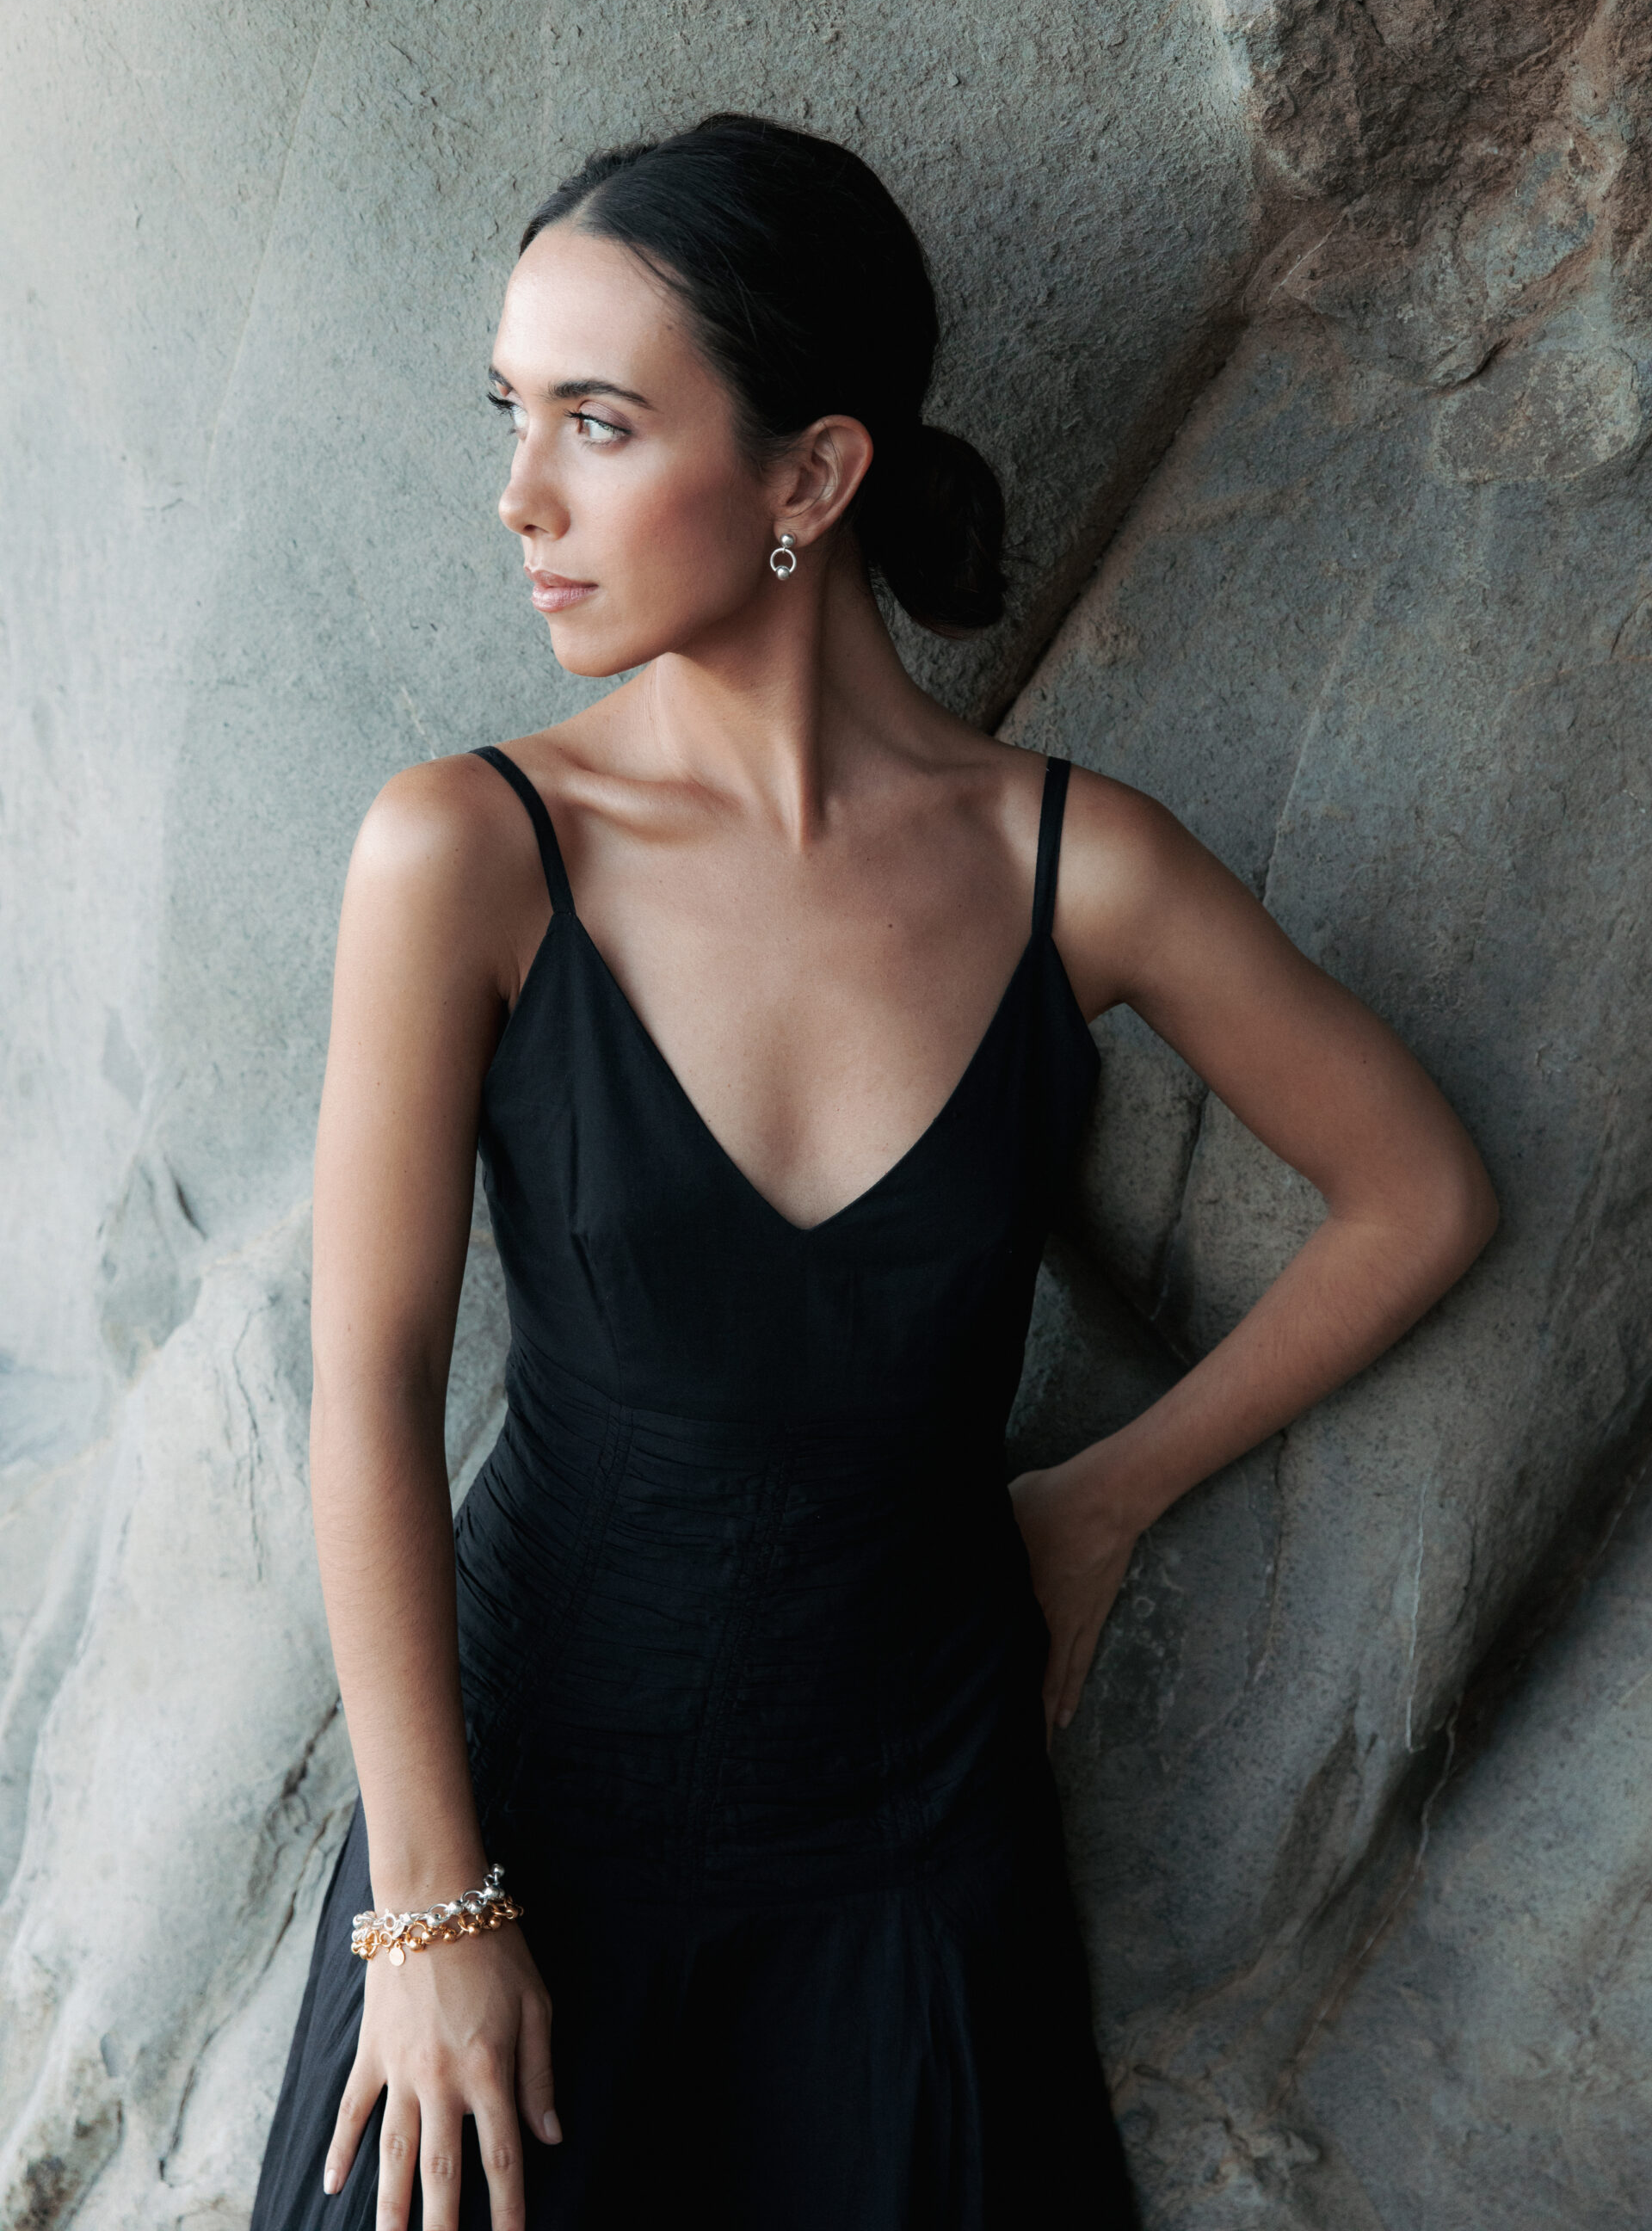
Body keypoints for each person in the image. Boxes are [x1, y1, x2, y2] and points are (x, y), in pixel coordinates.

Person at [251, 114, 1497, 2231]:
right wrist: (435, 1912)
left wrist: (1099, 1499)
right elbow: (365, 1392)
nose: (518, 498)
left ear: (812, 478)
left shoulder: (1072, 867)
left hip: (917, 1853)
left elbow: (1421, 1197)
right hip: (522, 1837)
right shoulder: (463, 852)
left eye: (599, 423)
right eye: (512, 413)